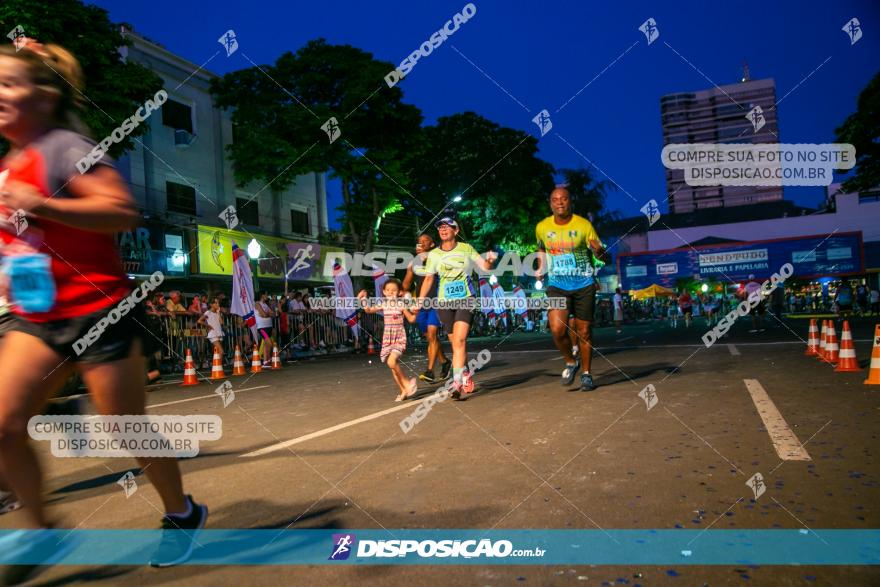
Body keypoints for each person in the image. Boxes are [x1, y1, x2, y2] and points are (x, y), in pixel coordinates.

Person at [0, 39, 206, 579]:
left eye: (7, 84)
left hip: (99, 312)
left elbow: (120, 209)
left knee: (126, 429)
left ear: (43, 96)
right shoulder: (9, 165)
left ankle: (183, 514)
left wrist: (43, 205)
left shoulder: (67, 146)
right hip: (38, 317)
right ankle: (42, 532)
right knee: (1, 425)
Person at [535, 187, 607, 391]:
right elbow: (541, 248)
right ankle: (570, 361)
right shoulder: (542, 227)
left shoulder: (584, 225)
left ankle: (586, 374)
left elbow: (602, 256)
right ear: (550, 203)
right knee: (557, 329)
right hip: (557, 285)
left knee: (584, 331)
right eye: (555, 199)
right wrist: (541, 266)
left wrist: (599, 251)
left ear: (570, 202)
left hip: (583, 284)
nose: (560, 203)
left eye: (564, 199)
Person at [418, 212, 496, 398]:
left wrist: (490, 261)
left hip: (466, 299)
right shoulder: (434, 254)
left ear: (456, 230)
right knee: (456, 344)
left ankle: (456, 382)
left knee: (460, 340)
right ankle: (465, 373)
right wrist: (420, 301)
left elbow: (484, 268)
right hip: (444, 302)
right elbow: (429, 279)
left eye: (447, 226)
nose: (443, 229)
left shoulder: (466, 248)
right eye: (440, 227)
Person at [402, 233, 450, 383]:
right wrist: (400, 295)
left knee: (432, 333)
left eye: (425, 241)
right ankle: (444, 362)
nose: (421, 243)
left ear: (432, 244)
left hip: (436, 302)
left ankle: (430, 371)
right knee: (430, 337)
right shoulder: (413, 264)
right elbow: (405, 285)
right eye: (419, 241)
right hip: (421, 305)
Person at [359, 279, 418, 401]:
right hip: (387, 339)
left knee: (391, 362)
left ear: (399, 292)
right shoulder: (384, 303)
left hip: (399, 338)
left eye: (394, 290)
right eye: (388, 290)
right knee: (393, 367)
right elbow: (368, 310)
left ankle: (407, 384)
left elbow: (411, 319)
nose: (391, 292)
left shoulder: (401, 304)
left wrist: (417, 311)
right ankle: (403, 390)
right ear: (384, 292)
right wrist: (363, 299)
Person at [197, 298, 224, 363]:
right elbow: (199, 321)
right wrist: (207, 325)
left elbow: (221, 322)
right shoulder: (208, 312)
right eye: (216, 303)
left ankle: (216, 366)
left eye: (218, 303)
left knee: (217, 352)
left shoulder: (217, 312)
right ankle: (218, 367)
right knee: (221, 351)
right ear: (211, 304)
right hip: (213, 333)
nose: (218, 304)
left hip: (219, 332)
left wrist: (218, 312)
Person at [254, 291, 275, 366]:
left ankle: (265, 361)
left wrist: (267, 314)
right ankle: (267, 359)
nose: (267, 296)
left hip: (269, 326)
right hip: (262, 327)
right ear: (262, 295)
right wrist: (267, 314)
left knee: (267, 345)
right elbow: (263, 314)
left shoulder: (265, 304)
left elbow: (272, 313)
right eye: (266, 294)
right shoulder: (257, 303)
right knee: (269, 343)